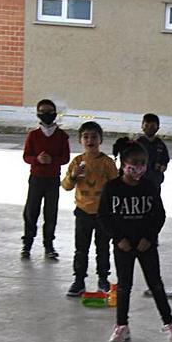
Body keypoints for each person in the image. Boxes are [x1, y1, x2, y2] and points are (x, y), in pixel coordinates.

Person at [99, 139, 172, 342]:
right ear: (124, 163)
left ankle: (170, 325)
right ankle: (121, 326)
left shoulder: (149, 186)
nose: (139, 167)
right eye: (134, 162)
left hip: (146, 245)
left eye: (143, 162)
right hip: (123, 246)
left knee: (156, 284)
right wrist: (118, 239)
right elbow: (103, 216)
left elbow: (159, 215)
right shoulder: (112, 187)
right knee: (124, 286)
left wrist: (149, 238)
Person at [62, 121, 119, 296]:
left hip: (103, 214)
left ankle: (103, 279)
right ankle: (79, 281)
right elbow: (66, 186)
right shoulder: (77, 162)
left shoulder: (107, 162)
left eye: (94, 137)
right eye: (86, 137)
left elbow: (116, 185)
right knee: (81, 248)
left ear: (100, 140)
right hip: (83, 212)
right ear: (80, 140)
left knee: (102, 248)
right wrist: (73, 176)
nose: (90, 140)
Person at [136, 113, 172, 299]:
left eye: (153, 125)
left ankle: (150, 236)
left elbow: (165, 161)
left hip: (155, 185)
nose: (150, 127)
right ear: (142, 126)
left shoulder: (160, 145)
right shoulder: (137, 143)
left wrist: (161, 166)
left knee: (155, 213)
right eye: (147, 124)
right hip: (140, 186)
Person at [22, 99, 71, 260]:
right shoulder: (33, 135)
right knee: (31, 212)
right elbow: (26, 156)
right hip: (36, 179)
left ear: (55, 114)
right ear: (38, 114)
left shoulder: (62, 136)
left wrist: (52, 160)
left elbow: (65, 158)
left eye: (50, 112)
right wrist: (37, 159)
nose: (46, 115)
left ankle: (49, 246)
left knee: (51, 214)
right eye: (42, 112)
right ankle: (27, 245)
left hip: (52, 180)